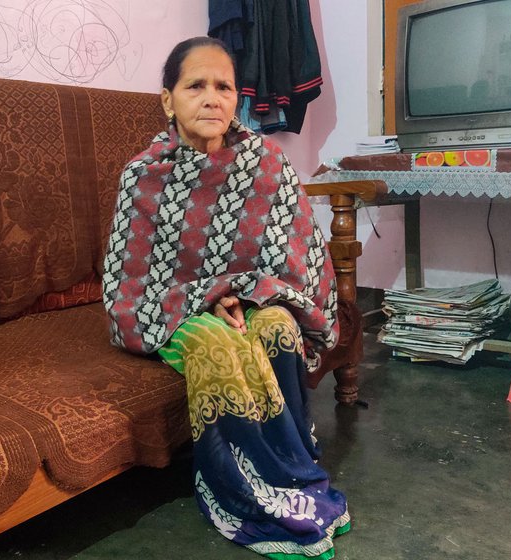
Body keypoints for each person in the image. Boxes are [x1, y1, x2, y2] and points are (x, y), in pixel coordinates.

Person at [102, 36, 350, 560]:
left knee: (277, 328)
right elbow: (131, 286)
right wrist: (208, 297)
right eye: (196, 86)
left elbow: (294, 255)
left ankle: (292, 471)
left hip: (254, 298)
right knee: (217, 344)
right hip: (170, 312)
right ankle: (240, 493)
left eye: (224, 87)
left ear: (238, 98)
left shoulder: (266, 165)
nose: (212, 98)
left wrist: (241, 292)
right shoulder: (143, 177)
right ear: (169, 100)